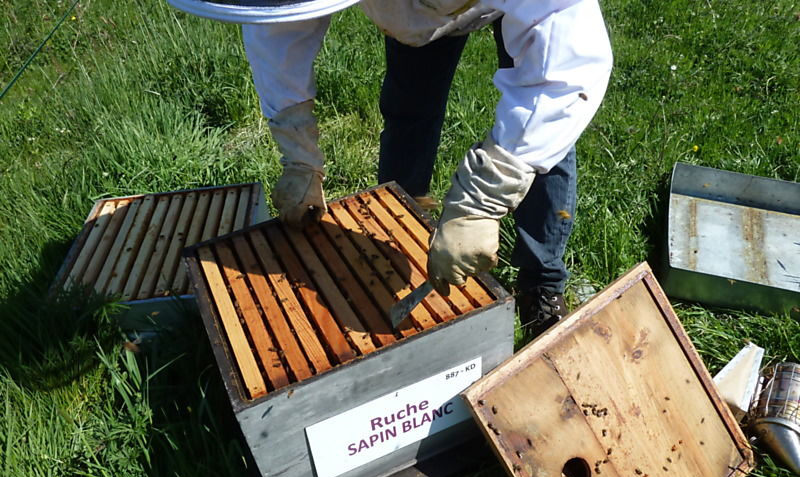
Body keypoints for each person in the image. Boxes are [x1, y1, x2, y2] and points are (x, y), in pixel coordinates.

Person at [170, 0, 613, 337]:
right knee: (409, 109)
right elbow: (281, 26)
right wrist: (299, 153)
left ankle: (542, 280)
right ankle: (400, 224)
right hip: (417, 13)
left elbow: (561, 76)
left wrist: (483, 200)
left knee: (546, 147)